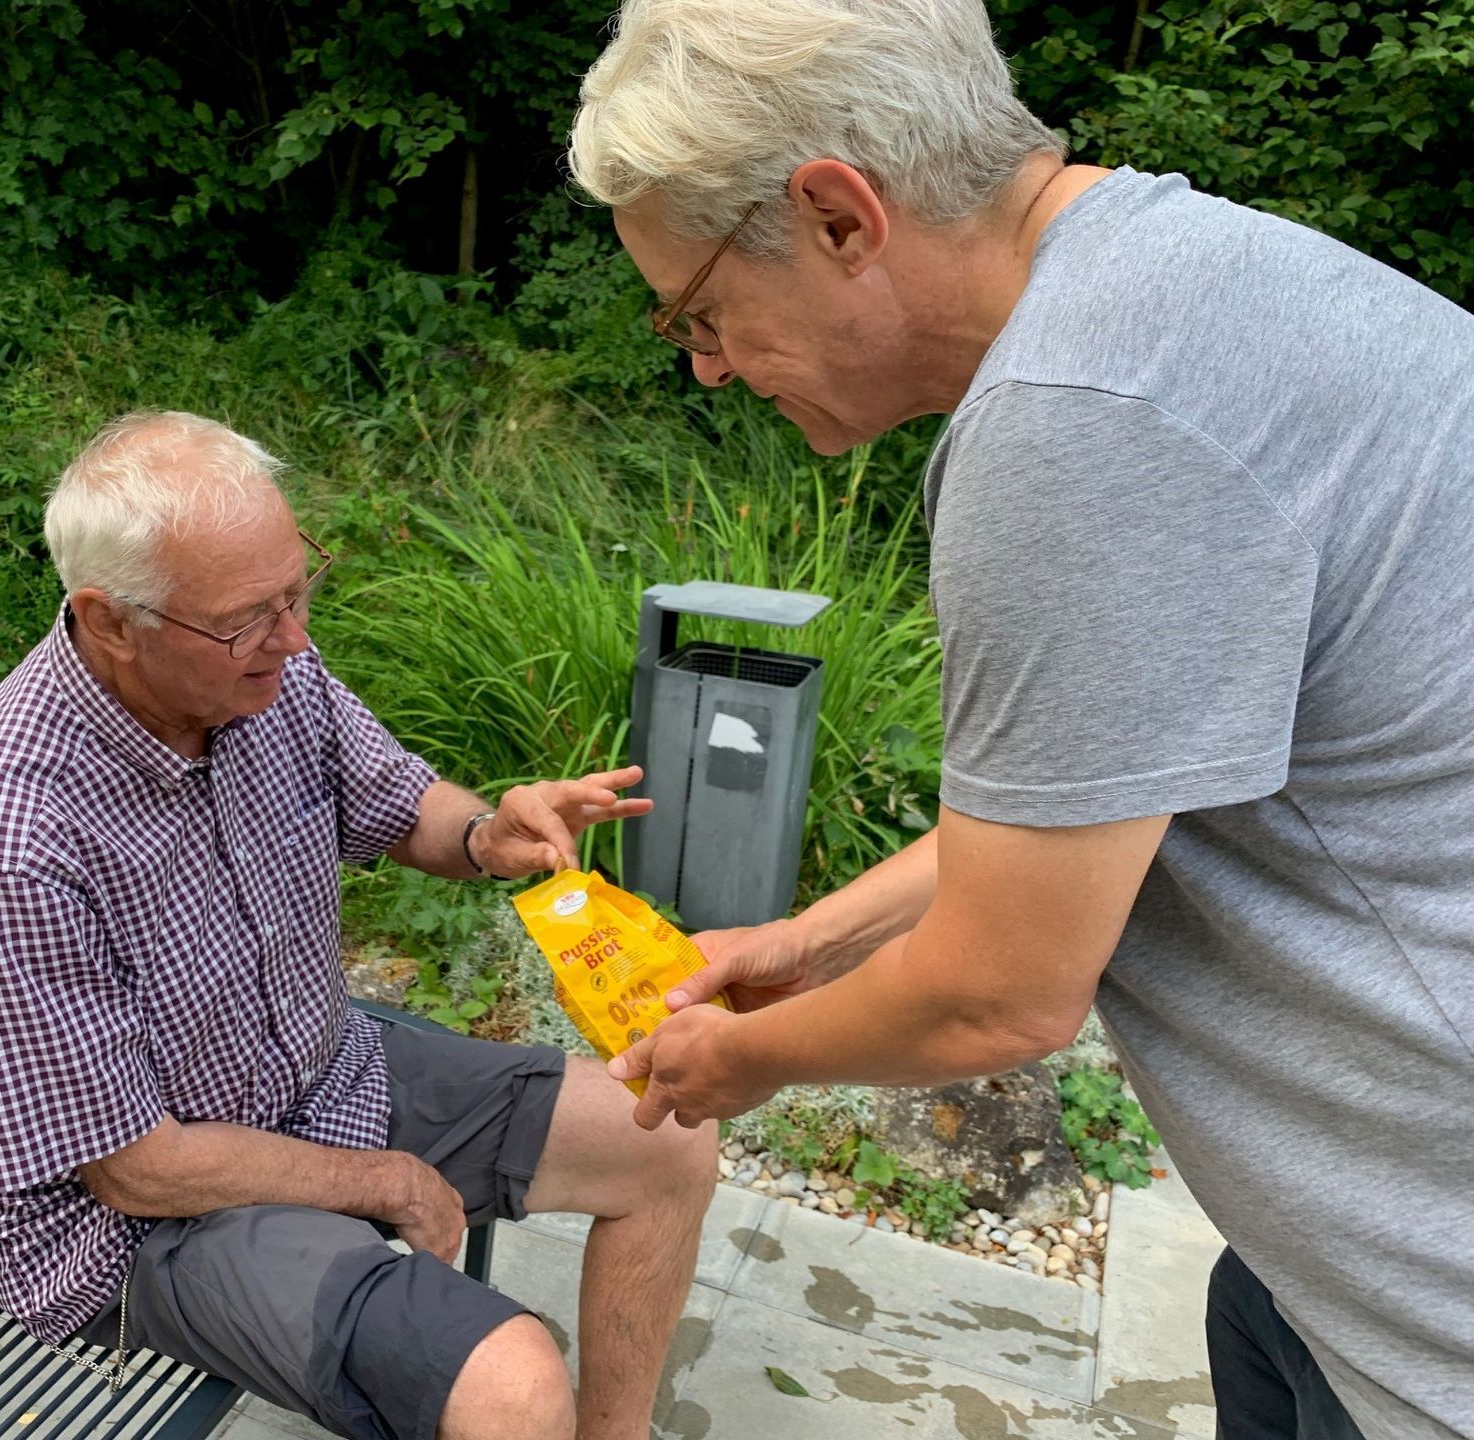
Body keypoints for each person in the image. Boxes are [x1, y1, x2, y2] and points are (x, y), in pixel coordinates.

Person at [567, 2, 1474, 1438]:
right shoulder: (1184, 285)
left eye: (697, 311)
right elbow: (1102, 790)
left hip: (1437, 1303)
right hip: (1330, 1264)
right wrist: (809, 944)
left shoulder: (1076, 421)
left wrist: (737, 1060)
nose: (708, 366)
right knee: (1251, 1320)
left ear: (837, 217)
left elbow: (1001, 991)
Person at [0, 410, 717, 1440]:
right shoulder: (4, 831)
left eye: (298, 590)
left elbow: (392, 797)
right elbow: (132, 1164)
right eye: (251, 616)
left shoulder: (263, 673)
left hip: (324, 1079)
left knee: (669, 1132)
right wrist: (382, 1180)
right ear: (111, 622)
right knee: (511, 1385)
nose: (293, 636)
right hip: (145, 1219)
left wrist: (484, 833)